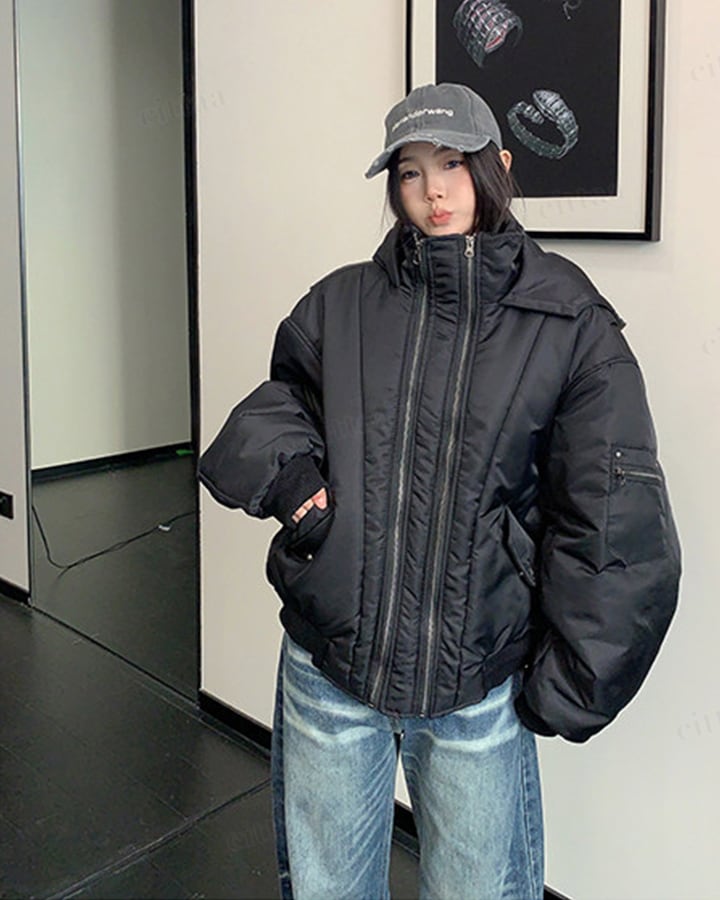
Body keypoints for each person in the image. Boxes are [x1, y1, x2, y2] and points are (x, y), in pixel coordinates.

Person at [199, 82, 681, 900]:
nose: (434, 191)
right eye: (410, 172)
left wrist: (573, 680)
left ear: (498, 165)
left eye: (453, 164)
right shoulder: (342, 301)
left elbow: (612, 515)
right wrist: (304, 497)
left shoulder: (569, 320)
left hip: (477, 689)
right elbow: (279, 409)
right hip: (330, 669)